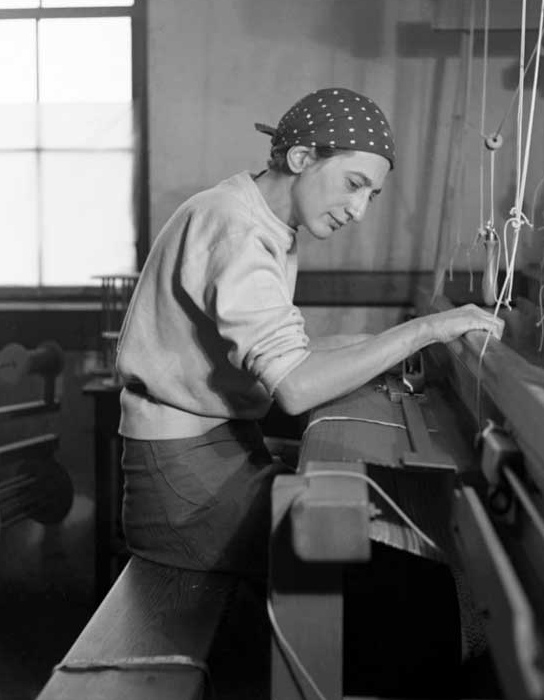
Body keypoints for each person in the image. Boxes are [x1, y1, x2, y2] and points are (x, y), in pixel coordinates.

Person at [115, 87, 503, 582]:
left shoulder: (255, 219)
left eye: (371, 195)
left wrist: (378, 343)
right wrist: (424, 330)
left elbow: (283, 350)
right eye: (354, 184)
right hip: (184, 488)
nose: (359, 210)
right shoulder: (238, 230)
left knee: (377, 546)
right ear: (301, 157)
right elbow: (296, 387)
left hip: (214, 454)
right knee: (394, 576)